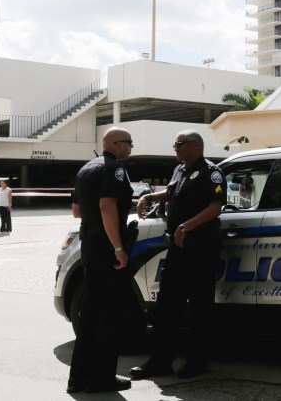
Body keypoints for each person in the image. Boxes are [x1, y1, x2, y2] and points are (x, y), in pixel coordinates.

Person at [130, 129, 226, 380]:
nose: (174, 147)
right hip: (177, 248)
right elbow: (173, 192)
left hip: (200, 247)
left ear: (194, 146)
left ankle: (196, 362)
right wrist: (151, 195)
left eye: (179, 143)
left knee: (198, 308)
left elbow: (215, 207)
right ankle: (160, 361)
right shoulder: (180, 169)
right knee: (166, 307)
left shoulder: (211, 172)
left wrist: (186, 226)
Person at [67, 127, 134, 394]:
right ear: (117, 144)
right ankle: (102, 379)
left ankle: (78, 379)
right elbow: (107, 206)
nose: (131, 147)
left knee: (90, 315)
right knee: (109, 316)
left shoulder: (86, 169)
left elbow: (76, 211)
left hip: (90, 246)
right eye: (129, 143)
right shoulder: (114, 168)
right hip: (107, 249)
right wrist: (119, 247)